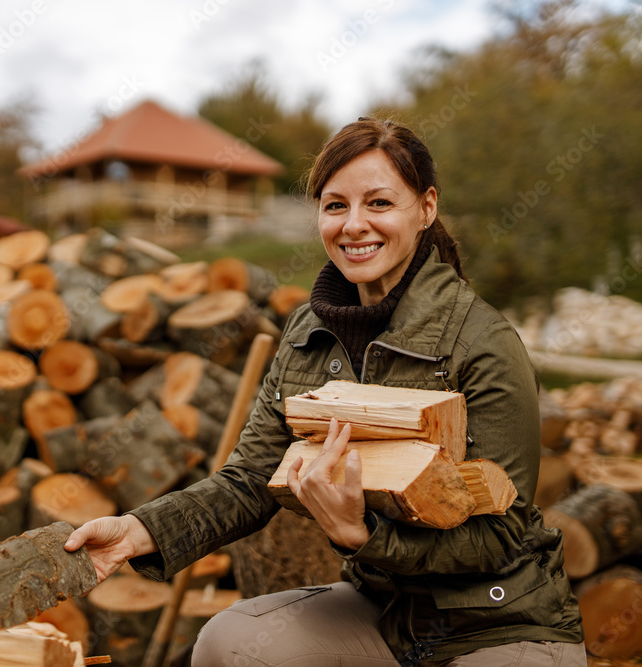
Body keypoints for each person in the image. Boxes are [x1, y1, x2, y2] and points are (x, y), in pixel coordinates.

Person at [65, 118, 586, 666]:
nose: (354, 225)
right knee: (228, 642)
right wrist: (135, 530)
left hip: (498, 621)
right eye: (335, 206)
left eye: (379, 203)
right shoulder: (307, 331)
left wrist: (363, 538)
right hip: (381, 612)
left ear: (426, 208)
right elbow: (249, 480)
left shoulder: (484, 341)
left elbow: (499, 538)